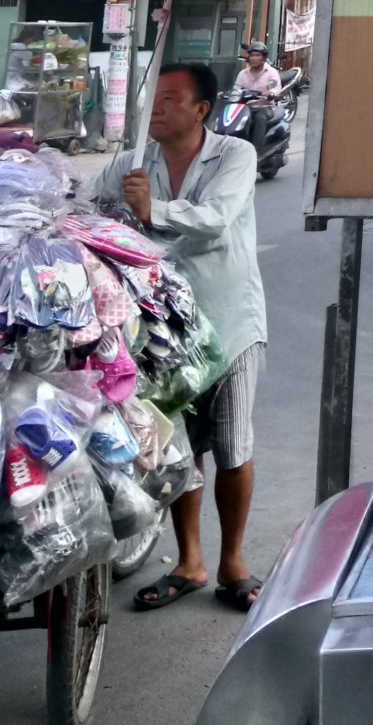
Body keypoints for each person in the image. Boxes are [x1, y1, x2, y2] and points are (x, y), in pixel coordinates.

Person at [96, 59, 267, 612]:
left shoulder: (234, 155)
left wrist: (154, 210)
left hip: (230, 322)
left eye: (171, 99)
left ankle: (233, 563)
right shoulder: (132, 163)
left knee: (233, 446)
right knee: (178, 449)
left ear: (201, 110)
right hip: (163, 331)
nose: (159, 107)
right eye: (156, 98)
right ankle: (189, 562)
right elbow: (87, 206)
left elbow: (216, 218)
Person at [232, 39, 282, 153]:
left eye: (257, 55)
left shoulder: (271, 72)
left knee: (260, 118)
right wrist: (227, 94)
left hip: (264, 107)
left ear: (263, 58)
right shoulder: (243, 73)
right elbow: (237, 88)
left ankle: (256, 151)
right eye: (252, 55)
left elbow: (275, 88)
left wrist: (271, 93)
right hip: (246, 107)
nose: (254, 58)